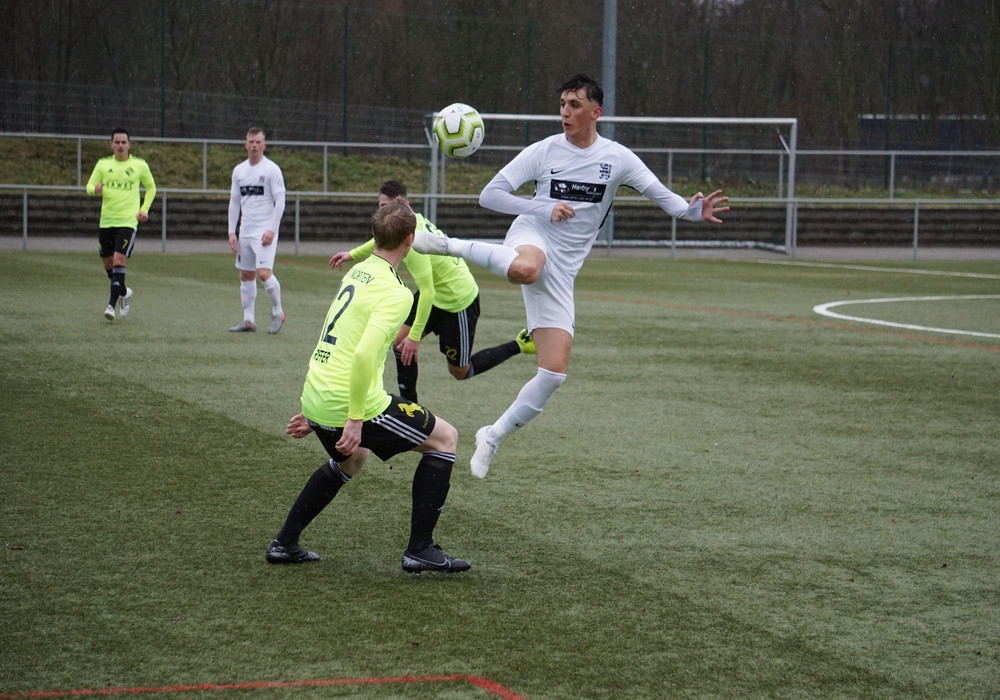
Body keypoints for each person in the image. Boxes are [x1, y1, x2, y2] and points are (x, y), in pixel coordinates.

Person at [413, 73, 729, 479]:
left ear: (596, 112)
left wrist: (693, 210)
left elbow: (667, 200)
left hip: (564, 270)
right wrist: (543, 207)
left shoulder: (618, 159)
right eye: (562, 103)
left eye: (575, 105)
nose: (565, 111)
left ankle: (492, 434)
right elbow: (489, 195)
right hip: (532, 235)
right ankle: (448, 245)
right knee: (527, 268)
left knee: (553, 374)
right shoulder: (545, 151)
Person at [265, 200, 470, 574]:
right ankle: (420, 549)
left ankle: (284, 543)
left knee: (352, 459)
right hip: (349, 401)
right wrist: (354, 419)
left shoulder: (357, 272)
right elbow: (361, 356)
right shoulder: (398, 293)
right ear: (410, 240)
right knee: (445, 439)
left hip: (316, 392)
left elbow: (337, 338)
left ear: (373, 235)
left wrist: (316, 411)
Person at [329, 180, 535, 402]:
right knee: (399, 344)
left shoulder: (413, 245)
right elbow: (386, 234)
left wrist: (415, 337)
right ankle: (411, 406)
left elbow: (427, 292)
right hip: (434, 294)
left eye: (390, 206)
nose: (386, 213)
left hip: (458, 301)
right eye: (382, 207)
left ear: (406, 206)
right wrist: (352, 254)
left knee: (460, 371)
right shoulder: (408, 222)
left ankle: (520, 344)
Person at [85, 128, 157, 321]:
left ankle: (111, 305)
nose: (120, 145)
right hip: (107, 221)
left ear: (129, 144)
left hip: (128, 221)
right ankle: (124, 292)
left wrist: (144, 209)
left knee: (118, 261)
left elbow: (151, 188)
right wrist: (95, 189)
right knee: (108, 264)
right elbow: (89, 186)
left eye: (123, 142)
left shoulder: (139, 165)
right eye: (117, 142)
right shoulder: (103, 164)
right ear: (111, 144)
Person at [227, 127, 287, 334]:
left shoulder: (271, 169)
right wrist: (232, 231)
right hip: (245, 230)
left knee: (263, 273)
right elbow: (235, 202)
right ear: (246, 145)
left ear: (264, 145)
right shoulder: (239, 171)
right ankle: (248, 320)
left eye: (258, 142)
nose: (254, 145)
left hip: (264, 232)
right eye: (251, 142)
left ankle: (278, 312)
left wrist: (271, 229)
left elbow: (280, 201)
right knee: (246, 274)